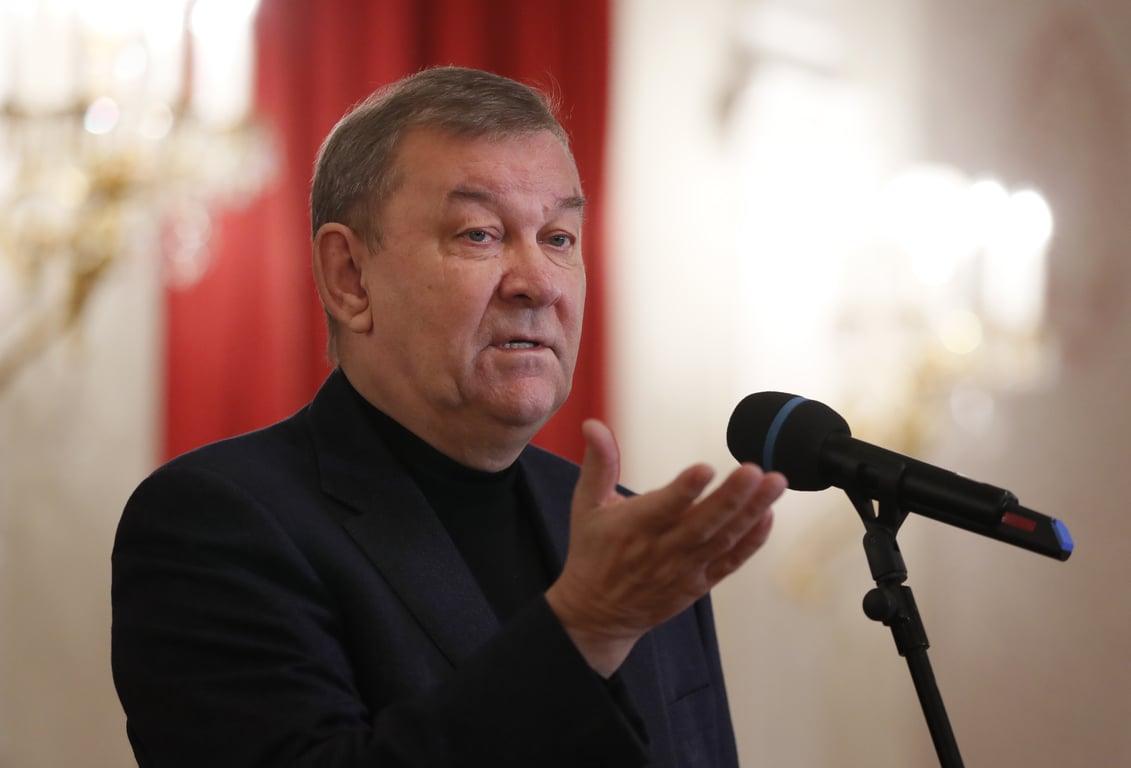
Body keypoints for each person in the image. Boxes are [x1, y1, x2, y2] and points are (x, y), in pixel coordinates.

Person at [111, 66, 786, 767]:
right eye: (479, 234)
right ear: (349, 276)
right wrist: (583, 630)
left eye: (558, 237)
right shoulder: (218, 521)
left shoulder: (638, 547)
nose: (538, 283)